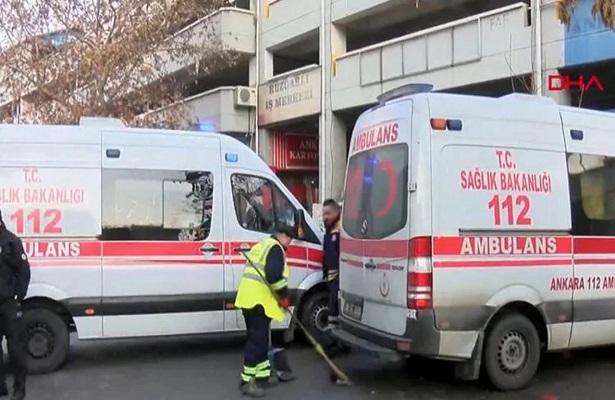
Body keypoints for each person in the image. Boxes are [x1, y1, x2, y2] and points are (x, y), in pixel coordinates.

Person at [234, 226, 294, 398]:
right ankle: (247, 382)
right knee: (257, 342)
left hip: (249, 300)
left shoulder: (262, 245)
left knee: (259, 339)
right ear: (281, 235)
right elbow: (274, 276)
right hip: (259, 302)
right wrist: (283, 297)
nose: (290, 242)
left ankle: (262, 376)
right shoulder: (275, 248)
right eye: (289, 237)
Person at [0, 210, 30, 400]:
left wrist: (18, 297)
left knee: (15, 347)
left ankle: (19, 389)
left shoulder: (10, 242)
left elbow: (24, 271)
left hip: (8, 302)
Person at [322, 199, 341, 331]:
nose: (325, 217)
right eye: (323, 214)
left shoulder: (340, 230)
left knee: (335, 302)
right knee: (332, 301)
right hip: (331, 275)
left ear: (336, 212)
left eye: (328, 213)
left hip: (339, 276)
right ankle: (332, 330)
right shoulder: (330, 231)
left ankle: (333, 332)